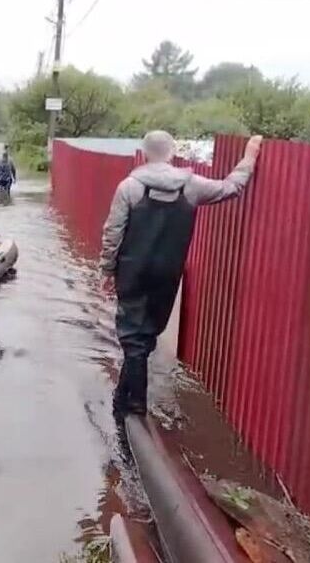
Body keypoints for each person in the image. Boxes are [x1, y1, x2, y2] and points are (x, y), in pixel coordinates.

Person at [101, 131, 262, 418]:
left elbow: (113, 233)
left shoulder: (129, 187)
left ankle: (135, 406)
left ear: (145, 153)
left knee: (133, 335)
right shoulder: (192, 187)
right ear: (172, 152)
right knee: (146, 334)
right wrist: (249, 157)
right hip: (168, 273)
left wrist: (107, 269)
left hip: (133, 271)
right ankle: (123, 395)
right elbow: (231, 187)